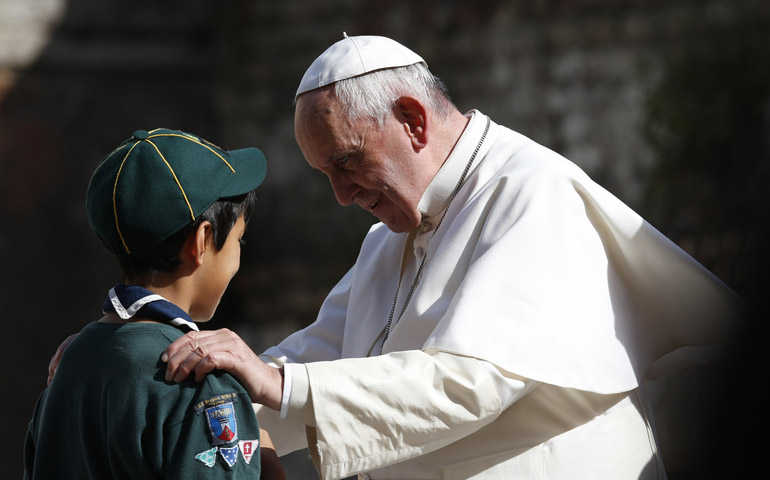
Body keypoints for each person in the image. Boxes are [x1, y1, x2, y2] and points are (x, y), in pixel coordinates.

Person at [56, 36, 743, 479]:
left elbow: (473, 380)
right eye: (325, 175)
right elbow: (323, 352)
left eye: (348, 164)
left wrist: (275, 387)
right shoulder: (390, 236)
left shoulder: (530, 192)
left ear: (413, 120)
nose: (342, 197)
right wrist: (148, 375)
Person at [26, 128, 285, 479]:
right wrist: (266, 458)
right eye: (240, 240)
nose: (239, 256)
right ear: (203, 241)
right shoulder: (199, 381)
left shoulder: (68, 365)